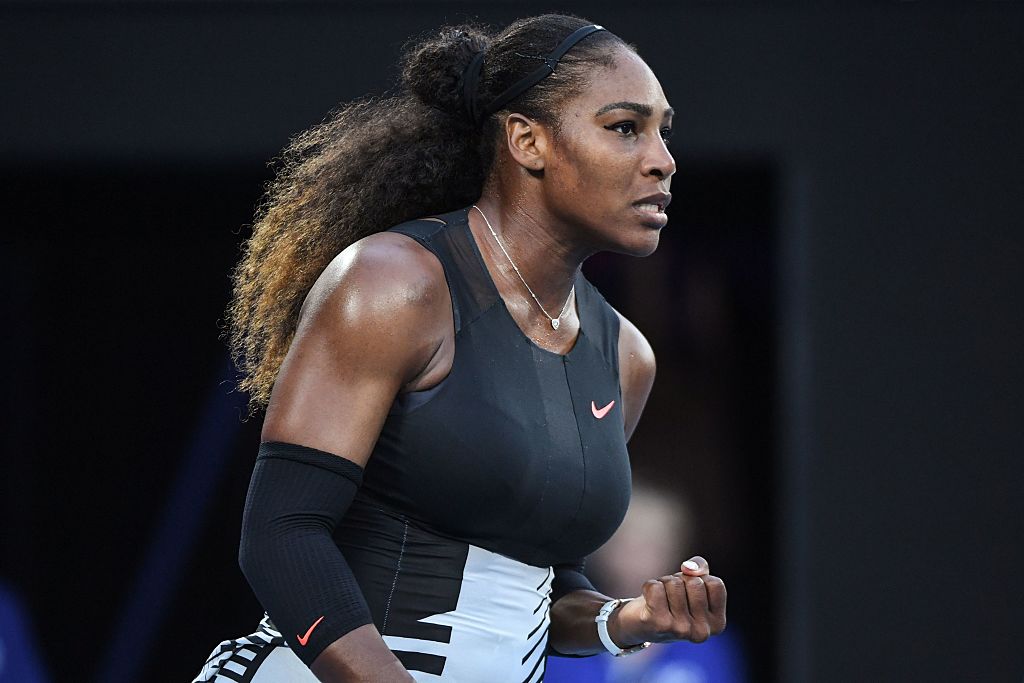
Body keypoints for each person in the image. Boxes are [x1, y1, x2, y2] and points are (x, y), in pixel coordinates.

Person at [194, 14, 727, 683]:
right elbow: (281, 535)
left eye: (663, 132)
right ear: (528, 141)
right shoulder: (395, 283)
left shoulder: (625, 357)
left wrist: (626, 619)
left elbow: (539, 588)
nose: (662, 159)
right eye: (625, 127)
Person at [545, 483, 748, 683]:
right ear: (600, 547)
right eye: (626, 542)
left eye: (651, 544)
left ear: (678, 550)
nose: (636, 556)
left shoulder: (705, 640)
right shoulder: (560, 630)